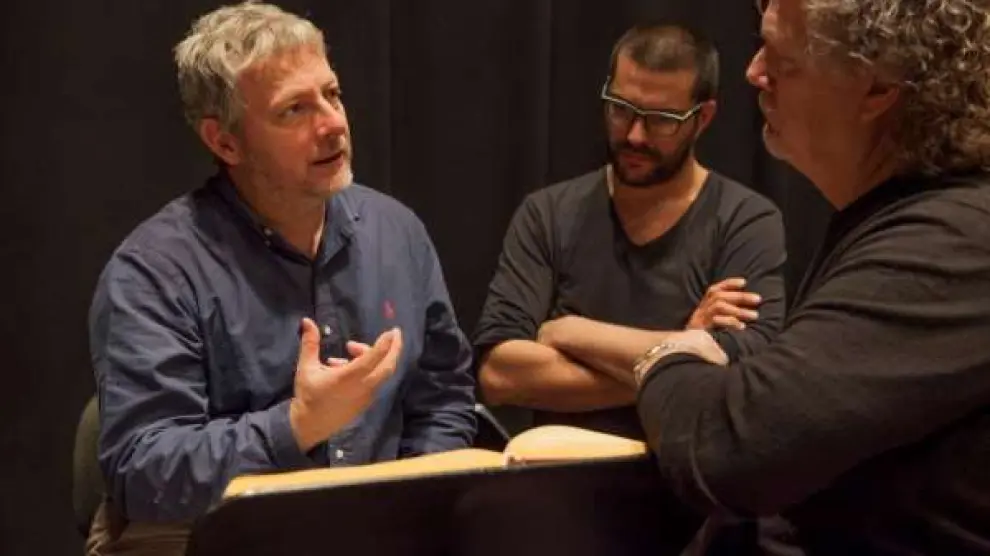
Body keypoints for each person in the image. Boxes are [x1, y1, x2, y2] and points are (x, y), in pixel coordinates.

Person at [87, 3, 476, 554]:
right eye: (294, 109)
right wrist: (297, 425)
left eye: (332, 95)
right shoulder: (154, 271)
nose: (333, 123)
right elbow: (143, 470)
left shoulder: (397, 233)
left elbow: (442, 400)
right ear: (225, 142)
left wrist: (410, 505)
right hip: (215, 532)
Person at [632, 0, 990, 553]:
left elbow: (727, 449)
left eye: (783, 59)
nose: (754, 72)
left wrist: (666, 356)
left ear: (878, 86)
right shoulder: (913, 220)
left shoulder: (956, 241)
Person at [473, 23, 787, 439]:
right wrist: (683, 347)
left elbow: (743, 372)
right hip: (562, 469)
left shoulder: (745, 220)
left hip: (685, 472)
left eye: (661, 120)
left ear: (703, 118)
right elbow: (500, 375)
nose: (635, 135)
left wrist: (570, 331)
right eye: (621, 109)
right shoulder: (547, 214)